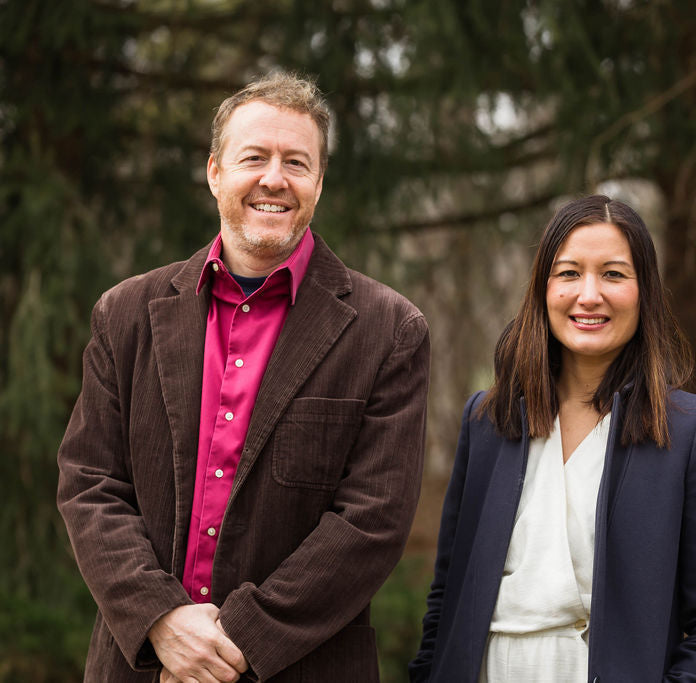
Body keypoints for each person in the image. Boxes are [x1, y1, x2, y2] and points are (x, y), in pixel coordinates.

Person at [57, 71, 430, 683]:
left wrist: (231, 646)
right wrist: (161, 621)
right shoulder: (123, 314)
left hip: (304, 668)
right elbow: (89, 483)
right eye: (253, 157)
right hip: (141, 666)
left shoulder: (389, 330)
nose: (274, 178)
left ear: (319, 181)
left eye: (296, 162)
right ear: (214, 172)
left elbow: (373, 520)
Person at [409, 195, 696, 682]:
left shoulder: (691, 431)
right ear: (543, 289)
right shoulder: (488, 422)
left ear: (644, 292)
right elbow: (447, 595)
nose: (589, 295)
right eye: (569, 273)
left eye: (613, 274)